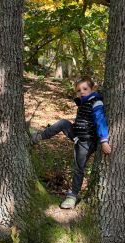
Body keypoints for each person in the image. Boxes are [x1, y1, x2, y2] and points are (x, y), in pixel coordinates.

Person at [32, 76, 111, 209]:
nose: (82, 92)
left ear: (92, 89)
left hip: (87, 141)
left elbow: (100, 120)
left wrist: (104, 141)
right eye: (78, 90)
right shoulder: (83, 102)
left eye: (85, 89)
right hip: (78, 136)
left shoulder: (96, 102)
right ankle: (38, 137)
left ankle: (72, 196)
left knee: (78, 168)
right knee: (63, 123)